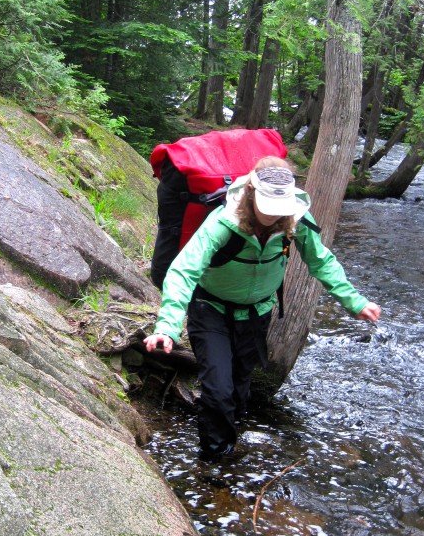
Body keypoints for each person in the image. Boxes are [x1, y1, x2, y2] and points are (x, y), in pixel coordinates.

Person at [143, 157, 381, 459]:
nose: (272, 216)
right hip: (210, 309)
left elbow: (321, 261)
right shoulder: (223, 222)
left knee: (241, 387)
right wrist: (167, 327)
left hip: (256, 314)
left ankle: (230, 441)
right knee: (218, 390)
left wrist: (355, 302)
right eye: (267, 206)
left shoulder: (295, 221)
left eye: (278, 208)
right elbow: (183, 271)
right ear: (252, 193)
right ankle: (215, 463)